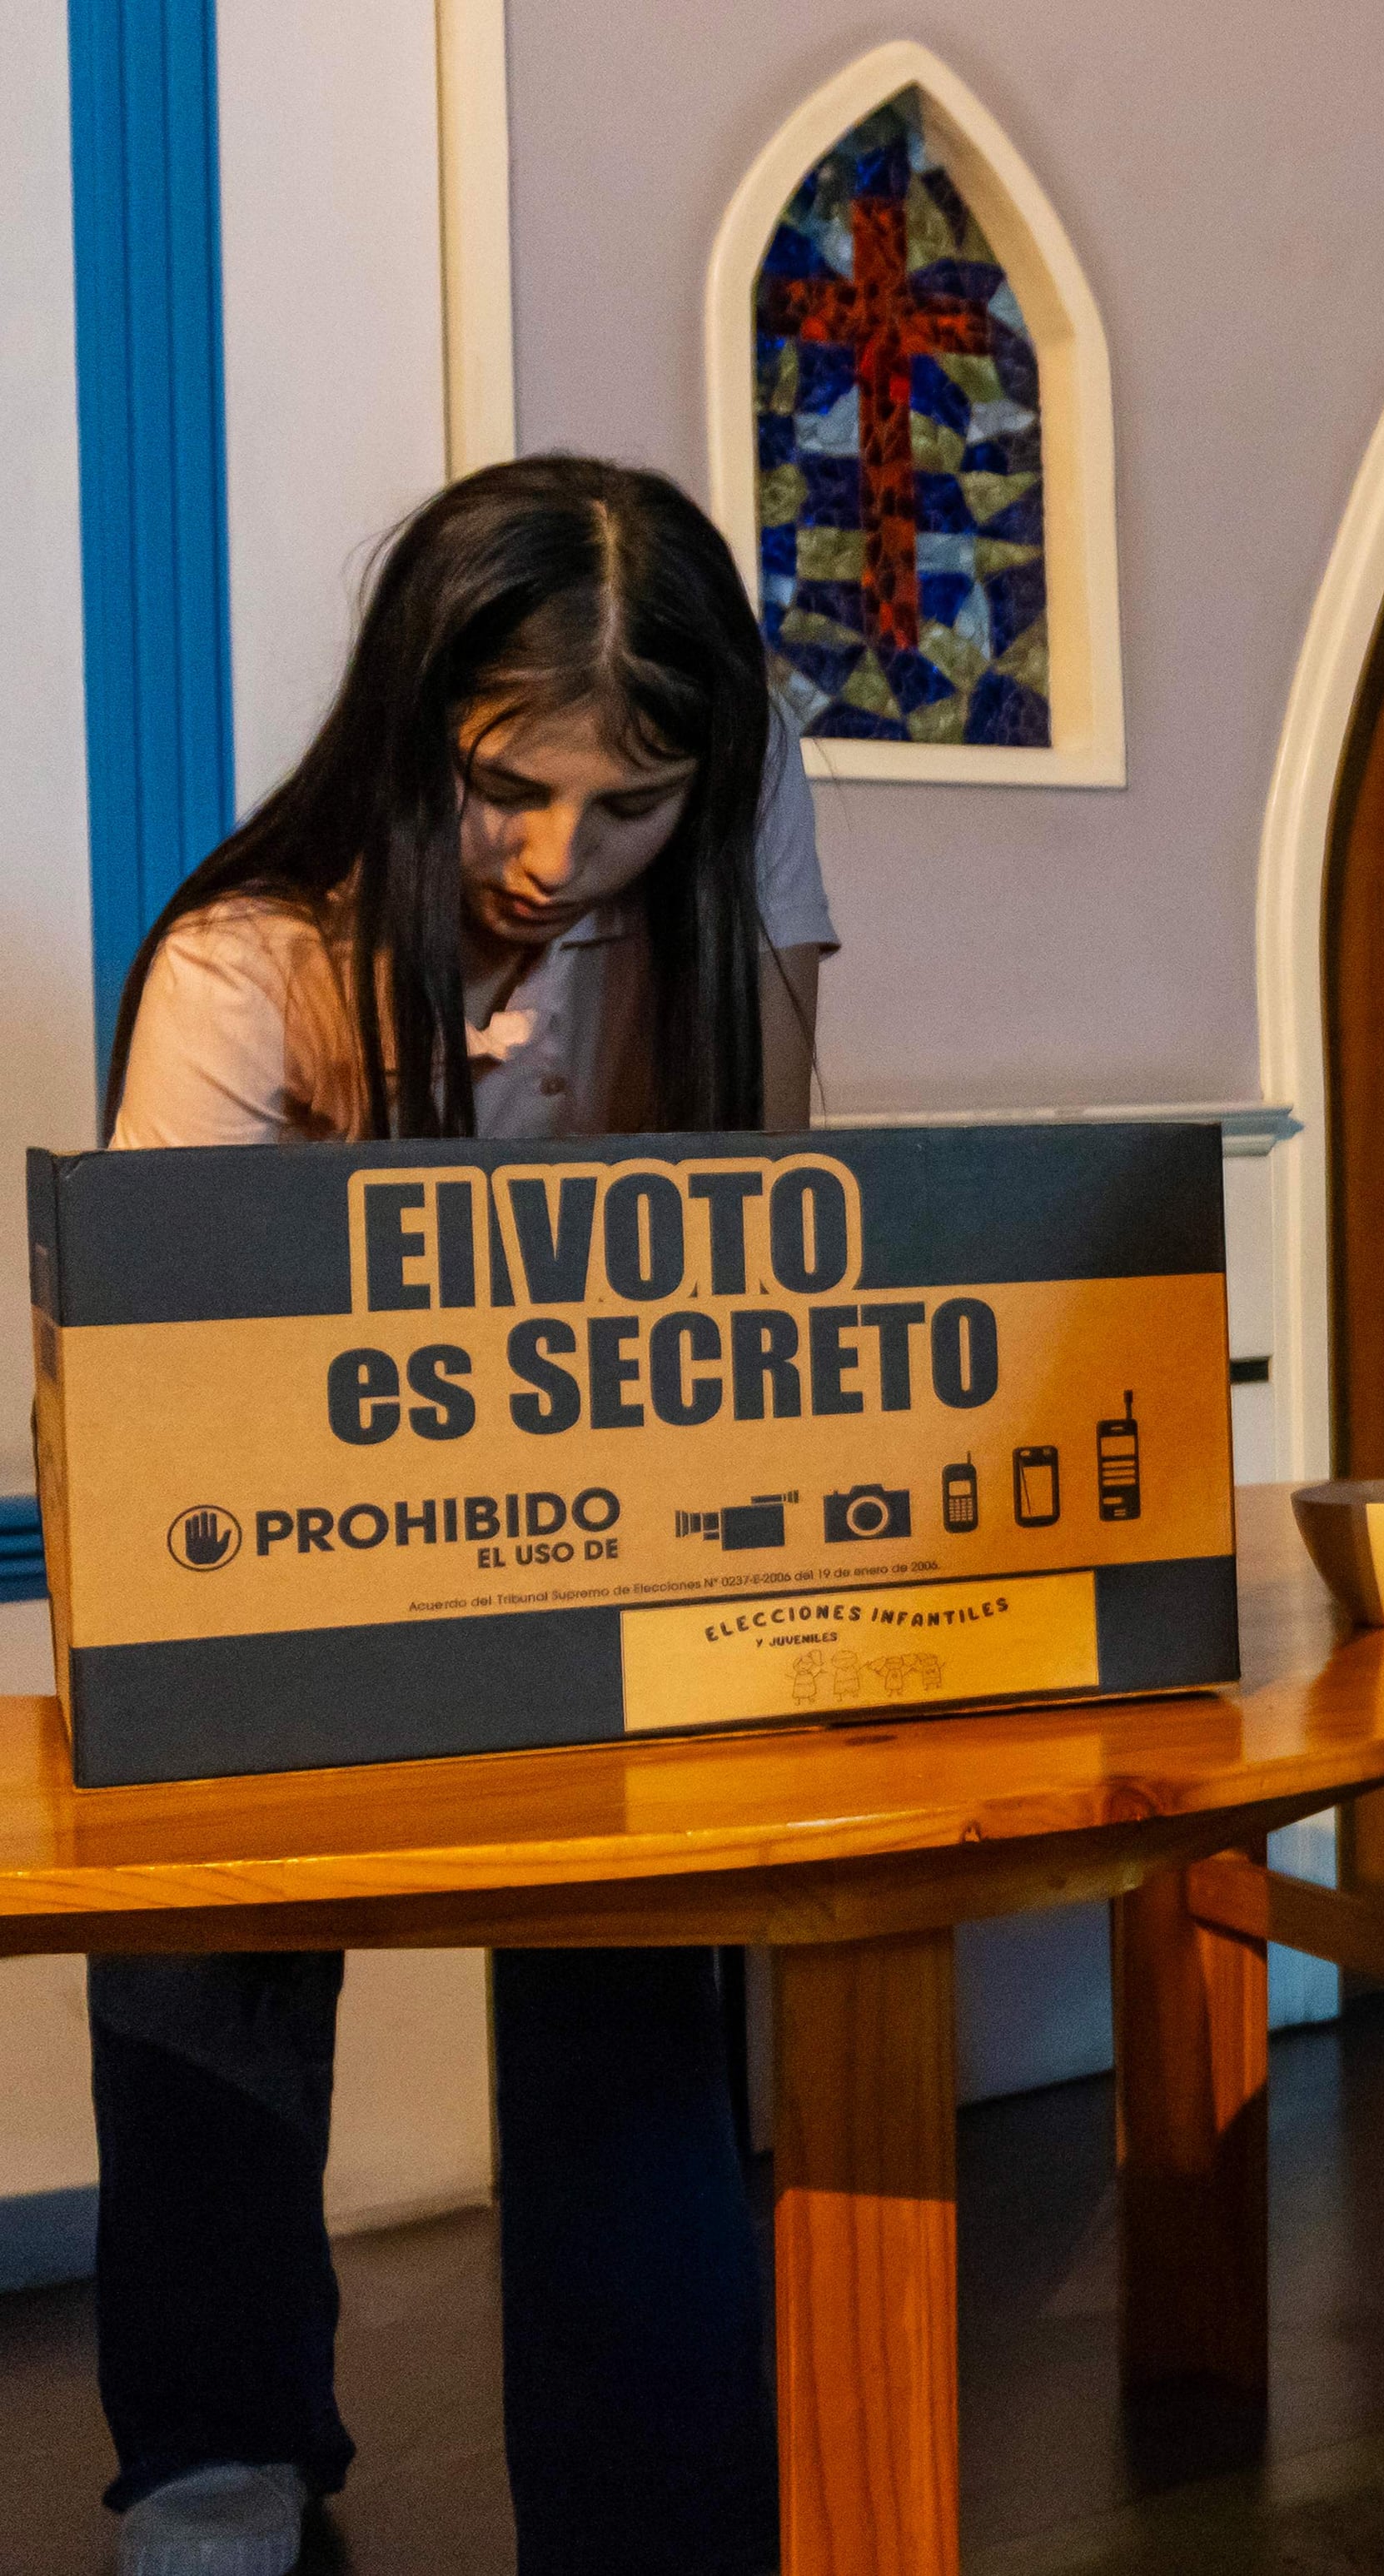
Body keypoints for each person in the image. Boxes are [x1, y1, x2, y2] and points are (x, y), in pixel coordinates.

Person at [88, 455, 834, 2576]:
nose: (554, 855)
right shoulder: (256, 959)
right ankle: (218, 2460)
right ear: (417, 731)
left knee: (624, 1969)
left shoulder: (734, 857)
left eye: (628, 805)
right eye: (508, 786)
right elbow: (172, 1386)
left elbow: (757, 1240)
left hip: (608, 1532)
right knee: (200, 1922)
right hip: (285, 1530)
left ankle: (651, 2508)